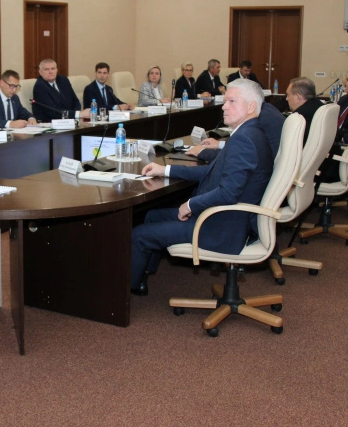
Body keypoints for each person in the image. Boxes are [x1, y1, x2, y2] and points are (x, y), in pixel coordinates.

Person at [131, 79, 274, 295]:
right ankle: (142, 278)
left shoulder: (244, 140)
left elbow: (227, 193)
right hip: (228, 218)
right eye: (225, 101)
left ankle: (124, 292)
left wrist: (190, 205)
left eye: (232, 101)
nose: (224, 107)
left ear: (251, 106)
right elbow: (210, 172)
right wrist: (165, 170)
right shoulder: (250, 133)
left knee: (138, 235)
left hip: (221, 227)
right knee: (151, 216)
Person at [186, 101, 284, 162]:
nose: (224, 106)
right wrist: (219, 144)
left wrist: (202, 152)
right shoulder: (267, 110)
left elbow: (234, 155)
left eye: (232, 101)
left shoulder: (259, 119)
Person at [285, 77, 325, 144]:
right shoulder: (321, 106)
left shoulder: (299, 117)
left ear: (298, 97)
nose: (286, 98)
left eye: (288, 95)